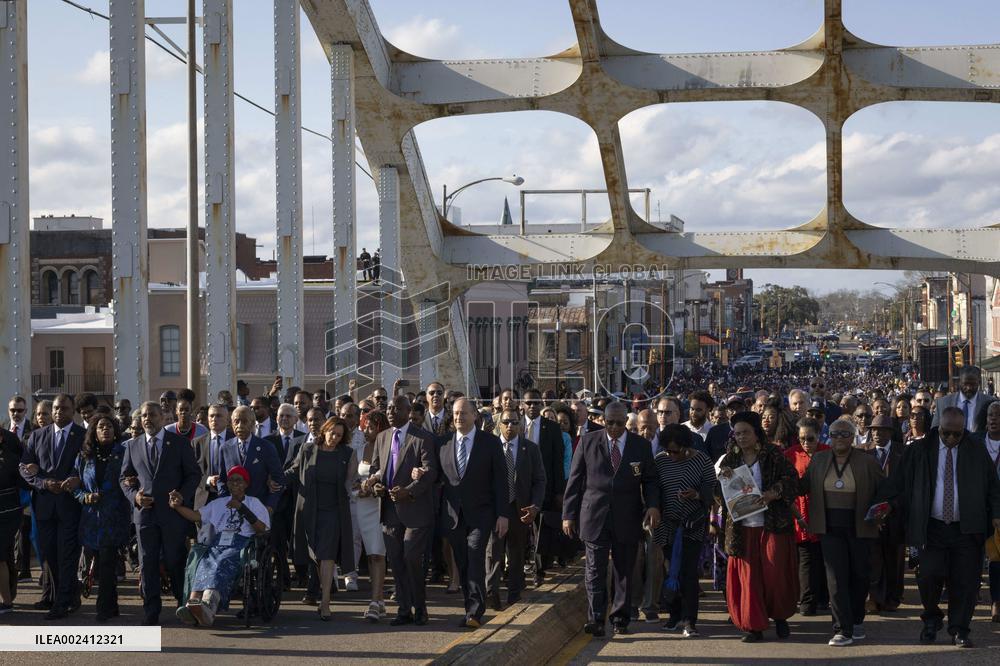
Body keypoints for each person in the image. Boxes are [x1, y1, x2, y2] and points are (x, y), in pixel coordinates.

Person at [884, 406, 1000, 648]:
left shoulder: (976, 450)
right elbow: (899, 483)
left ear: (964, 431)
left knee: (965, 581)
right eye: (946, 433)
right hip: (931, 527)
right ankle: (931, 619)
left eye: (957, 434)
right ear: (938, 428)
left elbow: (993, 487)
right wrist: (886, 505)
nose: (951, 438)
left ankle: (960, 629)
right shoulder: (919, 450)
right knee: (928, 575)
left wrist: (996, 515)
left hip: (966, 528)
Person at [563, 401, 660, 637]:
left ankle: (620, 618)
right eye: (609, 423)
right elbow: (575, 480)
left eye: (619, 423)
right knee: (595, 569)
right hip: (594, 515)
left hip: (627, 516)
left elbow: (650, 480)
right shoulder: (588, 441)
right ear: (603, 421)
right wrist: (568, 514)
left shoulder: (640, 445)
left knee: (623, 570)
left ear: (626, 421)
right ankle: (596, 618)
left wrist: (653, 506)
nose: (614, 427)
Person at [798, 417, 887, 647]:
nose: (839, 438)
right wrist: (780, 484)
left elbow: (885, 490)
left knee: (860, 576)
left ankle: (856, 621)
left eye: (844, 434)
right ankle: (842, 629)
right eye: (834, 434)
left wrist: (881, 510)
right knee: (835, 578)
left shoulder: (867, 461)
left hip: (860, 526)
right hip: (829, 526)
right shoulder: (819, 459)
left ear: (853, 437)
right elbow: (802, 485)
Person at [717, 410, 799, 643]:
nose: (741, 437)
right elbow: (720, 493)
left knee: (775, 575)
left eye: (746, 432)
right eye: (737, 434)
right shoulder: (730, 459)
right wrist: (724, 480)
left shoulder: (773, 454)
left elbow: (792, 479)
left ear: (756, 433)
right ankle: (754, 627)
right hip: (743, 528)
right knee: (749, 578)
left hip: (772, 524)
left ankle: (780, 617)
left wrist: (774, 493)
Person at [119, 401, 201, 625]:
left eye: (152, 415)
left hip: (172, 514)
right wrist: (135, 497)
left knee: (175, 560)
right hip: (145, 515)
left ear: (163, 418)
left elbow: (194, 474)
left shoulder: (179, 443)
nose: (148, 419)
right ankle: (151, 610)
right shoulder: (132, 445)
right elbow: (124, 478)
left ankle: (182, 604)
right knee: (147, 563)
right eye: (144, 415)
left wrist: (182, 495)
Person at [438, 398, 510, 629]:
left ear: (475, 415)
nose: (459, 417)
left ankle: (476, 612)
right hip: (453, 515)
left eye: (463, 413)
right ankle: (469, 606)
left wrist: (503, 514)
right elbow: (436, 477)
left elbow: (501, 481)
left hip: (482, 514)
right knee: (462, 561)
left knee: (475, 555)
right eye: (455, 413)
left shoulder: (490, 443)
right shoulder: (443, 443)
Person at [366, 395, 437, 625]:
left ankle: (420, 608)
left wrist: (409, 490)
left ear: (408, 411)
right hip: (389, 510)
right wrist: (376, 486)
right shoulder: (383, 437)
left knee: (411, 557)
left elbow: (430, 472)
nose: (390, 412)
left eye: (396, 408)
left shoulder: (423, 438)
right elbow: (376, 469)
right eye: (388, 408)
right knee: (396, 561)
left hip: (415, 511)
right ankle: (404, 610)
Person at [172, 465, 269, 627]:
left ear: (246, 484)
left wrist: (242, 509)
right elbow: (196, 516)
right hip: (218, 542)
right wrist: (178, 506)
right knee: (203, 560)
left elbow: (262, 528)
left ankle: (208, 606)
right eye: (231, 480)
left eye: (239, 480)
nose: (235, 483)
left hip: (241, 543)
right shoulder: (218, 503)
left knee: (221, 561)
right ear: (227, 484)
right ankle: (193, 604)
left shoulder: (254, 503)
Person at [19, 393, 86, 620]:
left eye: (64, 408)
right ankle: (69, 595)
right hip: (45, 505)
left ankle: (61, 603)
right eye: (56, 408)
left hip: (70, 505)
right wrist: (43, 482)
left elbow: (88, 466)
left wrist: (76, 479)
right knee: (49, 555)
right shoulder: (37, 435)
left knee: (67, 555)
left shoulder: (82, 436)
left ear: (73, 411)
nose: (58, 412)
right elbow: (24, 467)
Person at [285, 416, 357, 621]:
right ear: (324, 430)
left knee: (327, 555)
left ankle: (325, 602)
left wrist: (361, 486)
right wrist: (275, 480)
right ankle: (322, 592)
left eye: (339, 435)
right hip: (309, 510)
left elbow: (351, 482)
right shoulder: (307, 449)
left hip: (334, 511)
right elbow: (294, 470)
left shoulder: (348, 453)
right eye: (332, 433)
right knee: (315, 555)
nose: (334, 438)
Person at [652, 424, 715, 638]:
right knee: (671, 571)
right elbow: (653, 488)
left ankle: (689, 620)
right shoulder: (660, 461)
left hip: (692, 527)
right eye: (667, 450)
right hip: (667, 526)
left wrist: (697, 495)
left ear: (686, 447)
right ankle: (674, 615)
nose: (671, 455)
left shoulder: (702, 461)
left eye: (675, 451)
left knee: (688, 573)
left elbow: (713, 489)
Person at [486, 408, 545, 609]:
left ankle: (514, 594)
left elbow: (539, 480)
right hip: (495, 509)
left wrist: (535, 505)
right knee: (493, 551)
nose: (510, 426)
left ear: (520, 425)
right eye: (506, 422)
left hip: (520, 509)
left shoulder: (531, 449)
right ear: (499, 425)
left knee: (517, 553)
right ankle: (492, 593)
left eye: (514, 422)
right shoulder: (491, 447)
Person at [73, 415, 130, 621]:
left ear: (115, 431)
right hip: (91, 519)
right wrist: (85, 497)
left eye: (109, 426)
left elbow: (131, 480)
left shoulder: (124, 453)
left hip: (115, 518)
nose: (105, 429)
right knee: (98, 564)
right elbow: (75, 485)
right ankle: (112, 606)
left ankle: (103, 608)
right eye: (101, 427)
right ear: (94, 432)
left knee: (107, 562)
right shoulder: (84, 456)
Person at [784, 416, 829, 617]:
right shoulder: (790, 454)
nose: (805, 443)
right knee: (805, 558)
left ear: (819, 436)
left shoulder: (828, 453)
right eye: (801, 438)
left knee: (824, 558)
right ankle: (807, 601)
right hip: (800, 512)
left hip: (824, 512)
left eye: (810, 438)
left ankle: (823, 598)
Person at [521, 388, 565, 587]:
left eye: (536, 403)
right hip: (519, 487)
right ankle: (517, 568)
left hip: (543, 487)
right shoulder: (515, 424)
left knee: (540, 531)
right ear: (522, 405)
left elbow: (557, 462)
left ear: (541, 404)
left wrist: (559, 492)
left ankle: (538, 571)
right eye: (528, 403)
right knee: (520, 531)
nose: (532, 406)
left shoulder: (552, 428)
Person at [866, 414, 906, 613]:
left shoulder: (903, 453)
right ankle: (874, 597)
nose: (876, 434)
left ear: (890, 432)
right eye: (873, 430)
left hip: (896, 515)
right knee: (873, 559)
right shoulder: (863, 452)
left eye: (881, 430)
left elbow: (908, 485)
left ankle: (892, 597)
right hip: (871, 516)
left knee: (894, 560)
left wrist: (892, 506)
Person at [355, 410, 390, 621]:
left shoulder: (390, 448)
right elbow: (351, 480)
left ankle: (375, 602)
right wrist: (359, 490)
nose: (366, 431)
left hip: (380, 506)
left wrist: (375, 484)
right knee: (370, 555)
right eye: (364, 427)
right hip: (362, 506)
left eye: (370, 427)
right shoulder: (359, 450)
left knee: (378, 554)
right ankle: (381, 601)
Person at [216, 406, 284, 512]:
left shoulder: (266, 447)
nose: (239, 425)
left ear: (252, 423)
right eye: (236, 422)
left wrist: (270, 506)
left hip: (259, 508)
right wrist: (225, 500)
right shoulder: (225, 448)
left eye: (244, 421)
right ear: (231, 424)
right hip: (233, 509)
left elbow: (278, 479)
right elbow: (222, 480)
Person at [0, 424, 26, 613]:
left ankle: (7, 602)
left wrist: (33, 472)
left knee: (1, 558)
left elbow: (26, 482)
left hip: (7, 515)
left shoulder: (11, 460)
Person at [931, 366, 997, 433]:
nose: (969, 388)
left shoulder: (990, 402)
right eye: (965, 384)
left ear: (979, 382)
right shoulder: (943, 403)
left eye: (973, 384)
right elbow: (934, 432)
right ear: (959, 382)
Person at [981, 401, 1000, 622]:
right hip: (977, 507)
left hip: (998, 511)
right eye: (990, 415)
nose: (994, 419)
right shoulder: (976, 442)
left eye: (998, 415)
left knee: (996, 557)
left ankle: (996, 601)